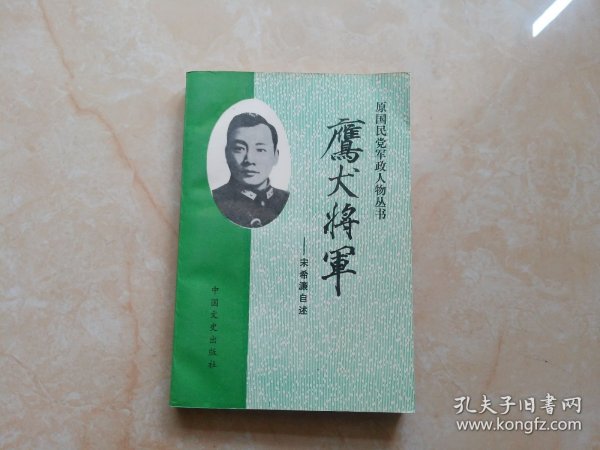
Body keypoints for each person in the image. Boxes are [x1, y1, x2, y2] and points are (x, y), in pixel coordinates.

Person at [212, 112, 289, 228]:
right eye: (239, 148)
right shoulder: (215, 200)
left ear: (275, 156)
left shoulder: (287, 200)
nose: (250, 159)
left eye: (260, 149)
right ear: (226, 154)